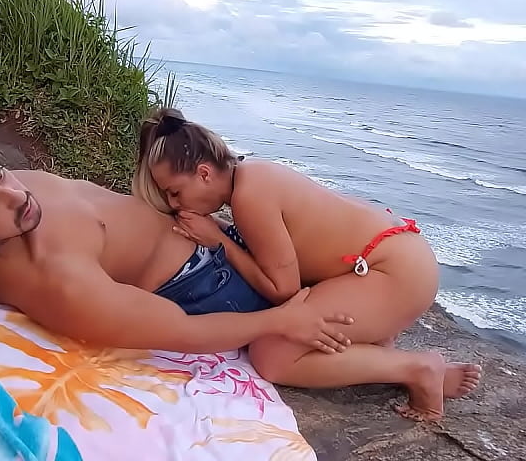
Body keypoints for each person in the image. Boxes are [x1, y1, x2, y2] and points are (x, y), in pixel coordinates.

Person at [133, 108, 482, 421]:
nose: (175, 203)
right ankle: (384, 350)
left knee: (271, 354)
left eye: (175, 192)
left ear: (204, 173)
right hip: (393, 260)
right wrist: (220, 230)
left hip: (392, 274)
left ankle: (419, 368)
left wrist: (218, 240)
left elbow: (283, 290)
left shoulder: (249, 196)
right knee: (303, 332)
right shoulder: (253, 175)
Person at [0, 136, 356, 355]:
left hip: (205, 234)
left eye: (0, 173)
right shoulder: (60, 283)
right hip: (207, 283)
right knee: (343, 318)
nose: (18, 195)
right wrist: (282, 320)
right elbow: (183, 334)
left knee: (335, 251)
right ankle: (416, 370)